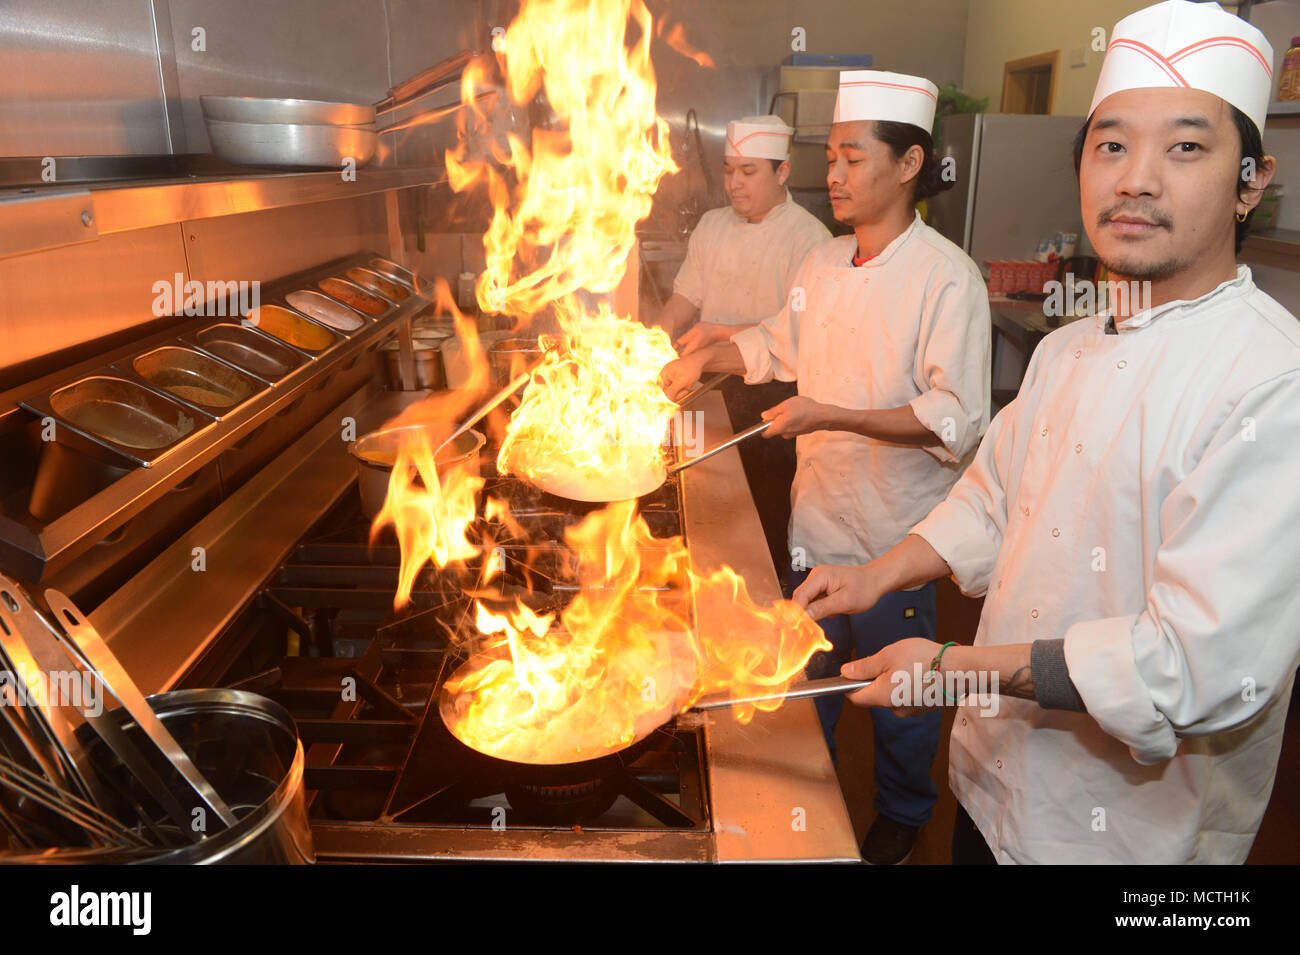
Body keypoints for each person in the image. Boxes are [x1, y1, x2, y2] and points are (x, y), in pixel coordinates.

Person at [794, 0, 1300, 865]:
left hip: (1129, 839)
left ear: (1253, 178)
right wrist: (875, 574)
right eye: (1111, 145)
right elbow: (992, 499)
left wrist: (955, 666)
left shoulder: (1270, 385)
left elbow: (1186, 667)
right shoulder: (1068, 346)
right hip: (996, 787)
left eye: (1186, 146)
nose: (1135, 179)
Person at [662, 71, 991, 865]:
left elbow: (956, 419)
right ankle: (806, 814)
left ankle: (906, 811)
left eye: (851, 157)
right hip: (815, 526)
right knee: (811, 684)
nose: (834, 175)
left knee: (900, 696)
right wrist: (707, 359)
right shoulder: (822, 267)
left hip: (895, 539)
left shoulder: (947, 277)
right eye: (830, 158)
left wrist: (831, 411)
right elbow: (776, 343)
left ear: (909, 163)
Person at [655, 115, 829, 573]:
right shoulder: (712, 226)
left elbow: (792, 332)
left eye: (748, 172)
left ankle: (768, 604)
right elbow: (684, 296)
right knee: (701, 501)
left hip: (772, 400)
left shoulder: (810, 240)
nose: (734, 183)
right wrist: (655, 335)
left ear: (783, 172)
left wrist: (714, 331)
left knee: (763, 517)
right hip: (702, 389)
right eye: (730, 169)